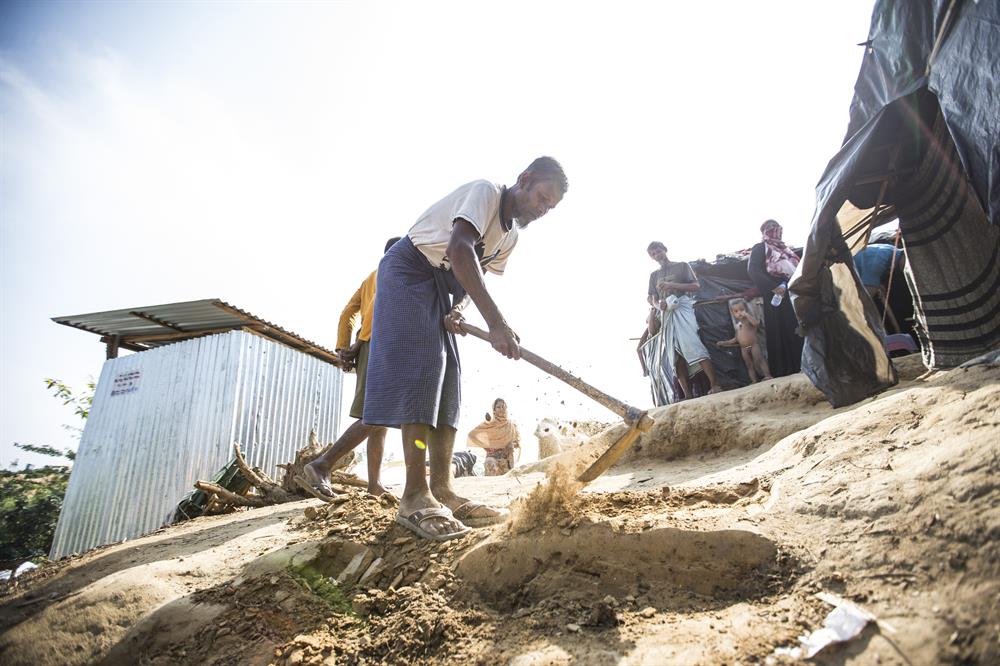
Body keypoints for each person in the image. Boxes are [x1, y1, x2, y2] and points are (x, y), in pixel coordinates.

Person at [363, 157, 568, 541]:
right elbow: (460, 250)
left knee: (450, 381)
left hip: (445, 287)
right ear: (523, 180)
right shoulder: (486, 192)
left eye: (549, 207)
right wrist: (497, 324)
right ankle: (413, 495)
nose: (541, 209)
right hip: (410, 270)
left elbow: (476, 274)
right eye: (541, 197)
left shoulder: (510, 238)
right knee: (426, 369)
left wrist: (459, 309)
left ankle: (442, 490)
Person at [302, 237, 401, 498]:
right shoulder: (396, 268)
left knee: (380, 420)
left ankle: (374, 484)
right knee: (380, 413)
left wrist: (343, 347)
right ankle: (322, 464)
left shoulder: (371, 276)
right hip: (381, 343)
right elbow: (382, 309)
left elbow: (348, 312)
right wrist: (358, 341)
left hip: (368, 346)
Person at [646, 241, 722, 401]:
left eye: (658, 251)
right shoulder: (653, 276)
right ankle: (687, 395)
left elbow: (695, 286)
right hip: (666, 313)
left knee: (692, 344)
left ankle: (715, 385)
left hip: (682, 308)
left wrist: (672, 285)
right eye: (652, 254)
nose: (656, 255)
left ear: (664, 250)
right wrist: (658, 304)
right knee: (674, 355)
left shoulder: (681, 266)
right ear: (651, 257)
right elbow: (651, 297)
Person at [748, 220, 804, 377]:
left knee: (797, 327)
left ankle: (803, 363)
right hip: (775, 294)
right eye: (771, 229)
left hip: (792, 291)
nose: (776, 232)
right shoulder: (760, 248)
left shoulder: (786, 251)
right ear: (764, 232)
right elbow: (753, 270)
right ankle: (785, 370)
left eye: (778, 228)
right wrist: (774, 287)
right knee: (780, 329)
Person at [717, 298, 772, 383]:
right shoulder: (737, 326)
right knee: (749, 365)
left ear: (746, 310)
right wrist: (724, 343)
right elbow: (736, 339)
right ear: (732, 313)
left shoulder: (748, 321)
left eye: (741, 310)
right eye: (736, 311)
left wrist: (747, 315)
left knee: (760, 360)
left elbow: (756, 324)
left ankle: (767, 375)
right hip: (744, 348)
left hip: (754, 345)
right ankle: (754, 380)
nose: (739, 313)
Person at [466, 398, 521, 476]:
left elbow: (517, 442)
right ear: (494, 410)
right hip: (492, 458)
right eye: (498, 407)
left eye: (503, 406)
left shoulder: (512, 425)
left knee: (508, 480)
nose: (501, 409)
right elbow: (472, 435)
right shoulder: (489, 424)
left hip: (507, 459)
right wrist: (488, 446)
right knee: (490, 464)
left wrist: (511, 444)